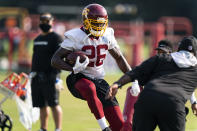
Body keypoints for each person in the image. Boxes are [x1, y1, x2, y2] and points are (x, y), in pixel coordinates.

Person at [51, 3, 131, 131]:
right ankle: (104, 127)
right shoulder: (75, 36)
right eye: (95, 23)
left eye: (101, 23)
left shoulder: (107, 35)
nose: (99, 26)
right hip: (78, 79)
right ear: (86, 21)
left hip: (99, 80)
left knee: (119, 125)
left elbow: (119, 58)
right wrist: (72, 69)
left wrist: (134, 76)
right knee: (89, 87)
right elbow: (55, 60)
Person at [106, 36, 197, 131]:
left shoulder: (161, 58)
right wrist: (194, 102)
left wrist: (117, 83)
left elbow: (136, 71)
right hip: (173, 103)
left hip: (147, 98)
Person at [122, 39, 173, 131]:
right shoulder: (151, 66)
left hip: (169, 104)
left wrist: (193, 101)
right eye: (159, 52)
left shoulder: (176, 68)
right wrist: (135, 83)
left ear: (170, 53)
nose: (160, 55)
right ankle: (128, 126)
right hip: (149, 105)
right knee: (132, 90)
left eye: (163, 53)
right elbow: (137, 76)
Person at [30, 13, 63, 131]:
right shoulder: (37, 39)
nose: (45, 23)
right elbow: (35, 58)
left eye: (47, 21)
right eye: (42, 21)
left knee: (54, 104)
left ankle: (58, 128)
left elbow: (59, 58)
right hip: (37, 77)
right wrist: (32, 73)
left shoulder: (56, 38)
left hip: (51, 76)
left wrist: (57, 76)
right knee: (41, 105)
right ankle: (43, 128)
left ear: (52, 22)